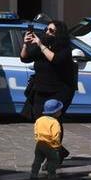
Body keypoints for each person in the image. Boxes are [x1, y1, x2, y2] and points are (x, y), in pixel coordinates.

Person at [21, 20, 78, 159]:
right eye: (47, 29)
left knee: (54, 121)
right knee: (40, 121)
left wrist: (40, 45)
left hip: (60, 90)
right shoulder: (43, 45)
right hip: (41, 89)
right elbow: (24, 57)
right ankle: (58, 150)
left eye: (51, 31)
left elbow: (55, 60)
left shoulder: (64, 48)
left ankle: (54, 154)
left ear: (59, 33)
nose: (47, 32)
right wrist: (26, 43)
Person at [31, 99, 64, 179]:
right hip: (50, 145)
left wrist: (38, 139)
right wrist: (57, 146)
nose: (61, 112)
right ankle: (51, 174)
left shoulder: (39, 120)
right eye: (60, 110)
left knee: (38, 160)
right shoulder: (55, 122)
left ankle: (33, 174)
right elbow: (56, 135)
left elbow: (36, 131)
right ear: (55, 112)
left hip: (39, 144)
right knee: (53, 160)